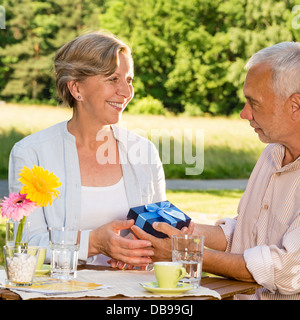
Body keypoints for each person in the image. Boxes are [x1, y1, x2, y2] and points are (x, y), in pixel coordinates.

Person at [132, 42, 300, 299]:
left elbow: (286, 269)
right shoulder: (271, 153)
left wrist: (185, 255)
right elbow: (248, 235)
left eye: (254, 103)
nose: (244, 114)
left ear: (295, 106)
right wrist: (188, 231)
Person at [8, 31, 166, 268]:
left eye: (129, 79)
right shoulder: (31, 153)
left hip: (129, 297)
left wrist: (141, 249)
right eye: (113, 79)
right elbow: (28, 246)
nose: (126, 92)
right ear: (76, 88)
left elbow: (159, 232)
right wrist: (93, 242)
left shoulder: (144, 152)